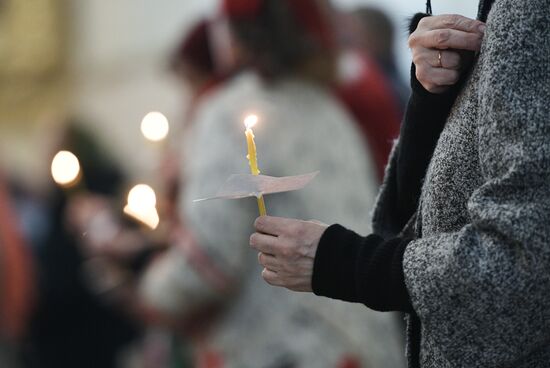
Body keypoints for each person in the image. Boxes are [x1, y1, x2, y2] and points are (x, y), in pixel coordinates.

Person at [250, 1, 550, 367]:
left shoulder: (529, 12)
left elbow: (525, 262)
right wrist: (432, 98)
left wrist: (342, 262)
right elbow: (402, 219)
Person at [138, 0, 406, 367]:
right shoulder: (332, 110)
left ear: (231, 33)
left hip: (282, 351)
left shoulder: (227, 111)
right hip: (364, 345)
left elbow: (209, 264)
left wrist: (146, 287)